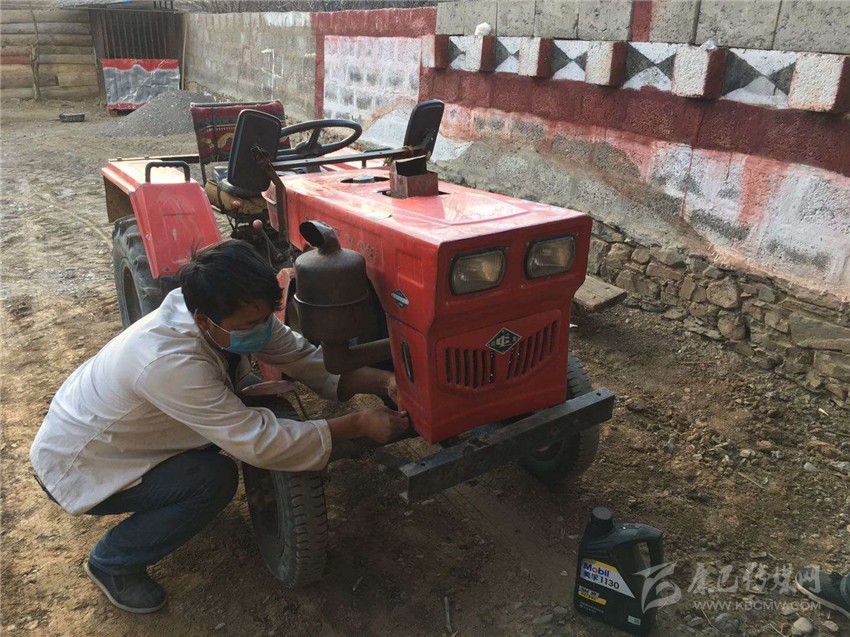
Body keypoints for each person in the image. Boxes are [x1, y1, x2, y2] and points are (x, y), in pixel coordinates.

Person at [30, 239, 409, 614]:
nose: (262, 329)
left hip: (125, 430)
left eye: (266, 318)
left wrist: (384, 382)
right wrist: (358, 423)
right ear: (202, 320)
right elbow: (259, 442)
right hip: (83, 463)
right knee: (212, 480)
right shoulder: (169, 363)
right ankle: (113, 561)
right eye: (251, 324)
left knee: (242, 397)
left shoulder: (228, 312)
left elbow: (306, 361)